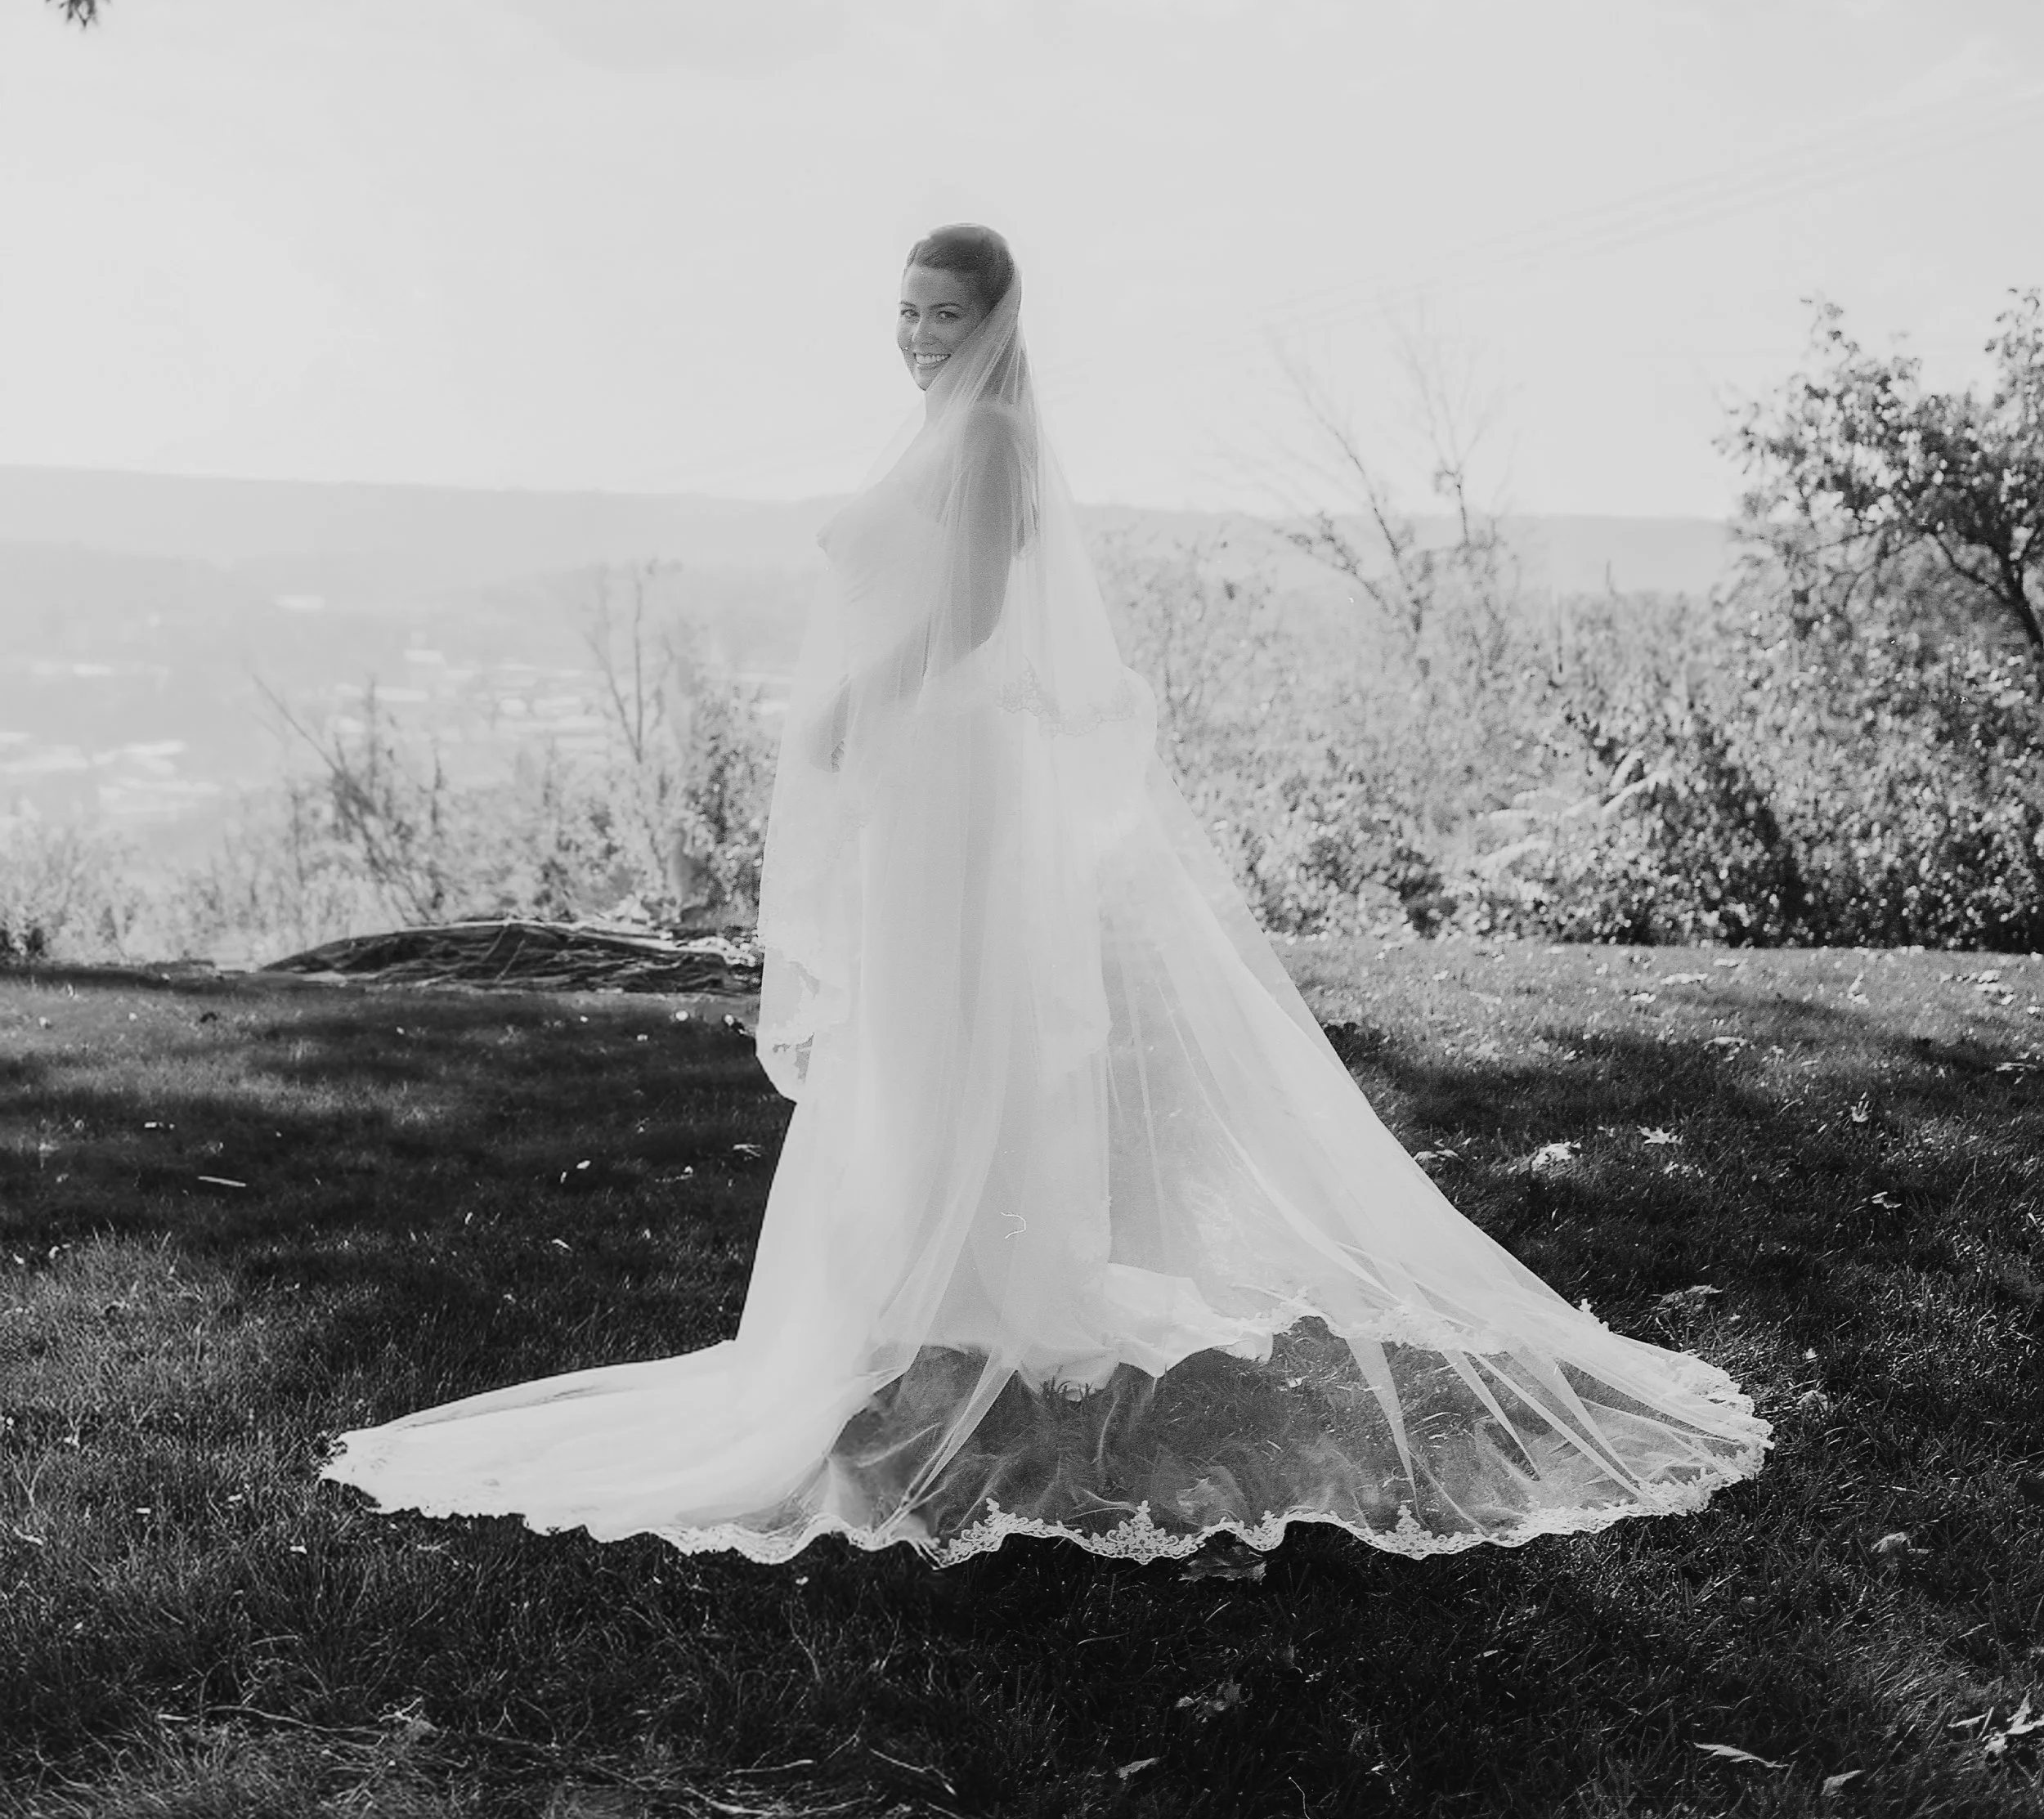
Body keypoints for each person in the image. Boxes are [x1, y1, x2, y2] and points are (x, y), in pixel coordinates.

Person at [319, 226, 1768, 1564]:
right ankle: (920, 1268)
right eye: (903, 310)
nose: (917, 334)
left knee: (959, 1007)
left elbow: (972, 617)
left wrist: (848, 712)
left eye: (943, 313)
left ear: (996, 320)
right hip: (922, 776)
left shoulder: (999, 433)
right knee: (917, 1018)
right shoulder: (935, 427)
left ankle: (982, 1270)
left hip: (957, 770)